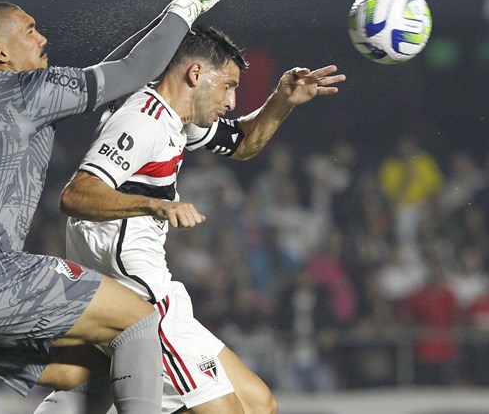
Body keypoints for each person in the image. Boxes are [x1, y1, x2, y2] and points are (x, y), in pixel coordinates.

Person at [0, 0, 222, 414]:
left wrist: (172, 13)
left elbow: (120, 75)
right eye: (29, 30)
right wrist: (188, 3)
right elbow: (136, 72)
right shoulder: (20, 91)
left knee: (93, 365)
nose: (43, 37)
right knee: (139, 322)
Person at [59, 25, 344, 413]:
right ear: (195, 74)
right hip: (138, 299)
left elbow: (243, 143)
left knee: (261, 404)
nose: (232, 100)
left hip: (157, 289)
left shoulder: (178, 120)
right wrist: (155, 206)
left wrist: (282, 100)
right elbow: (77, 195)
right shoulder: (143, 122)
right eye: (227, 85)